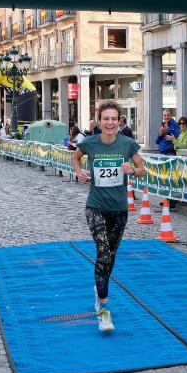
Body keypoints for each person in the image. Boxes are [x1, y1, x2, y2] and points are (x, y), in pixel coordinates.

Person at [72, 101, 146, 332]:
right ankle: (103, 309)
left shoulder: (127, 144)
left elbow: (142, 169)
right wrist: (79, 172)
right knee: (103, 251)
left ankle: (99, 284)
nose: (110, 123)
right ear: (99, 121)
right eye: (106, 119)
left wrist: (132, 170)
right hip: (95, 206)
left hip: (119, 208)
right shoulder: (89, 143)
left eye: (114, 119)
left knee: (110, 255)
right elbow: (76, 157)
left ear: (119, 121)